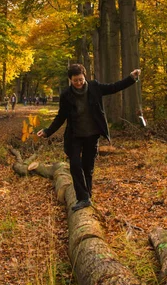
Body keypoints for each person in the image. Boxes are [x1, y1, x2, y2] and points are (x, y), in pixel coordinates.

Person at [37, 63, 141, 212]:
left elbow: (114, 87)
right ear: (70, 80)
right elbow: (61, 117)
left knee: (88, 167)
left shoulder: (94, 87)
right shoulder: (66, 95)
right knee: (74, 164)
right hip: (75, 136)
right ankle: (82, 198)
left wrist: (131, 78)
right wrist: (47, 131)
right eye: (75, 81)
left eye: (80, 79)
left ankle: (87, 196)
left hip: (92, 134)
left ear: (85, 77)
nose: (78, 83)